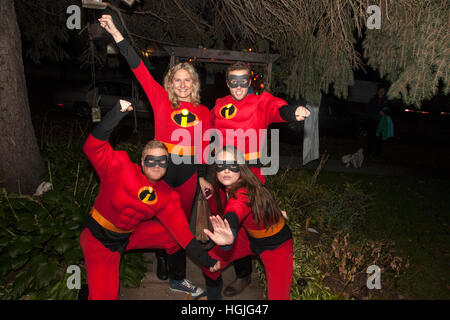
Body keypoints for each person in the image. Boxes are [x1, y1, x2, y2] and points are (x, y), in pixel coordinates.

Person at [99, 15, 212, 296]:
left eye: (187, 80)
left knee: (180, 224)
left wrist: (202, 178)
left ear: (194, 84)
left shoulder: (204, 112)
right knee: (149, 213)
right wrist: (116, 32)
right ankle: (154, 255)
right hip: (159, 169)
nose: (182, 84)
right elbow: (137, 67)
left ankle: (176, 277)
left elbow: (206, 150)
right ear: (170, 83)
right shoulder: (161, 99)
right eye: (177, 80)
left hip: (187, 173)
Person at [80, 99, 219, 300]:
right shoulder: (120, 169)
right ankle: (86, 292)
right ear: (142, 162)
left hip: (128, 237)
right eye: (151, 160)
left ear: (167, 165)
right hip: (99, 240)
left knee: (174, 235)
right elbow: (92, 147)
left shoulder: (167, 195)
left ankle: (175, 277)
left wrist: (207, 260)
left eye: (162, 161)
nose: (156, 165)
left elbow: (183, 234)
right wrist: (116, 113)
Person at [206, 61, 309, 297]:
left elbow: (277, 109)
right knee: (233, 223)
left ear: (250, 80)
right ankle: (242, 272)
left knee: (247, 214)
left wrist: (293, 112)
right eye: (234, 81)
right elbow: (208, 131)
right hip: (223, 172)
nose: (239, 86)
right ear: (227, 82)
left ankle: (263, 253)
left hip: (250, 174)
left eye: (244, 80)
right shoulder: (220, 104)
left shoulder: (260, 101)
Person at [201, 145, 293, 300]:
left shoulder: (243, 190)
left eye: (232, 165)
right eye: (221, 166)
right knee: (209, 262)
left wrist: (229, 232)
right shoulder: (235, 184)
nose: (226, 170)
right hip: (248, 236)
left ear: (241, 167)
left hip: (275, 246)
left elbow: (237, 207)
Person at [365, 86, 389, 155]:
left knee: (380, 138)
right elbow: (368, 110)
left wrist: (385, 112)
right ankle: (369, 151)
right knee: (371, 136)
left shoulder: (386, 101)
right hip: (372, 120)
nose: (381, 92)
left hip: (381, 122)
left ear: (385, 93)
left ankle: (378, 152)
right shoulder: (373, 100)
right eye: (380, 91)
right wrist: (378, 112)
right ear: (378, 91)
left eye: (383, 91)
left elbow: (388, 110)